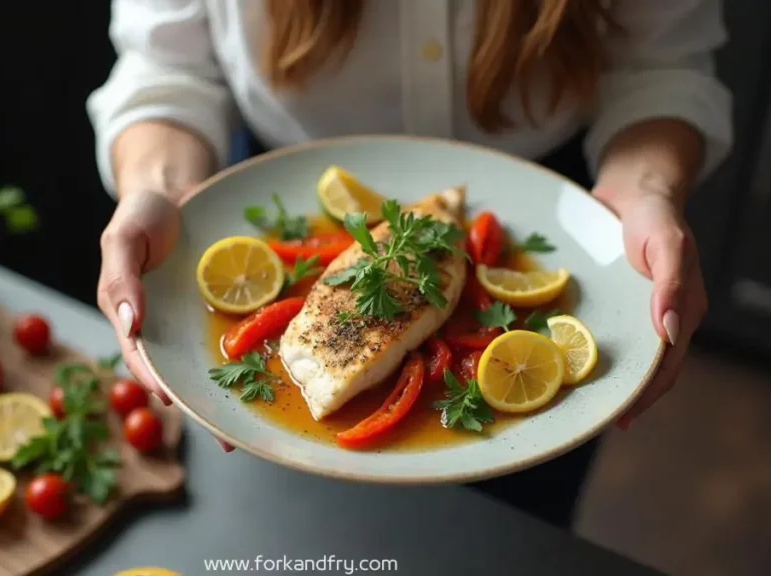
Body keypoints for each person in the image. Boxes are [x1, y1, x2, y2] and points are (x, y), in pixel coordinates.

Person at [86, 0, 732, 528]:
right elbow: (167, 69)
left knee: (508, 541)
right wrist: (160, 188)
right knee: (297, 534)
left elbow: (662, 65)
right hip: (292, 185)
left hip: (552, 204)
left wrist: (646, 189)